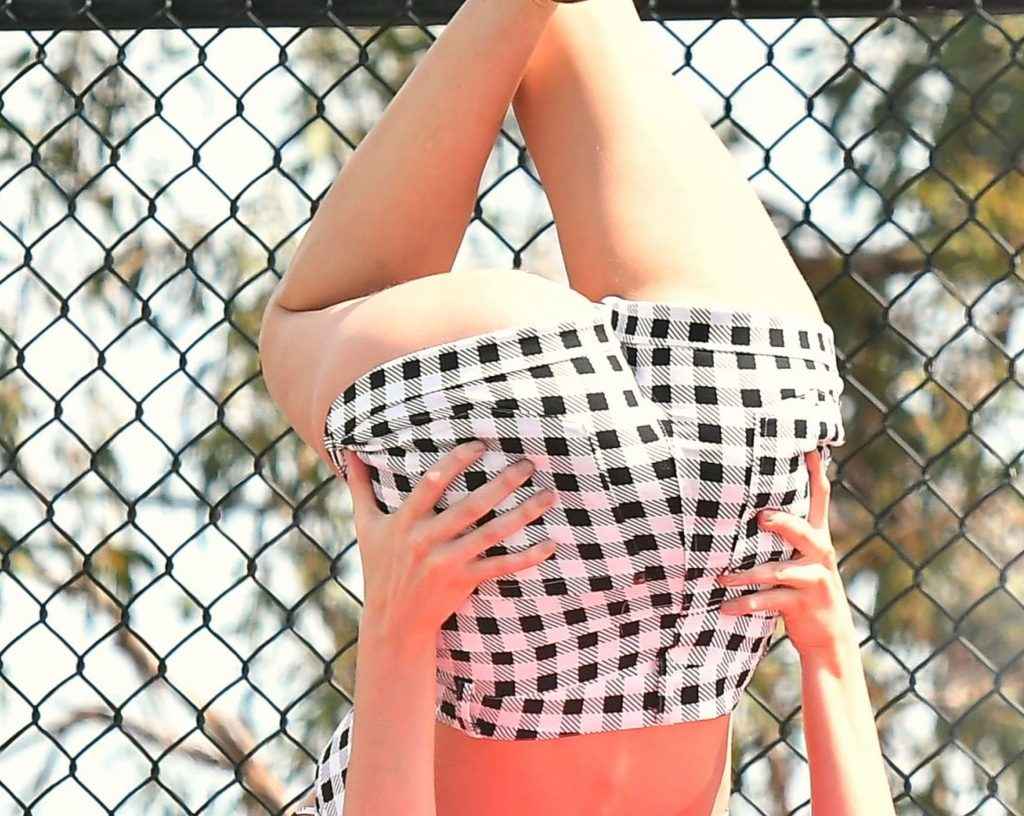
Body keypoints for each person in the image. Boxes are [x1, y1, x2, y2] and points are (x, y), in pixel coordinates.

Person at [257, 0, 896, 813]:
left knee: (574, 17)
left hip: (742, 482)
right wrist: (396, 630)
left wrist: (830, 648)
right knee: (299, 326)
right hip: (510, 543)